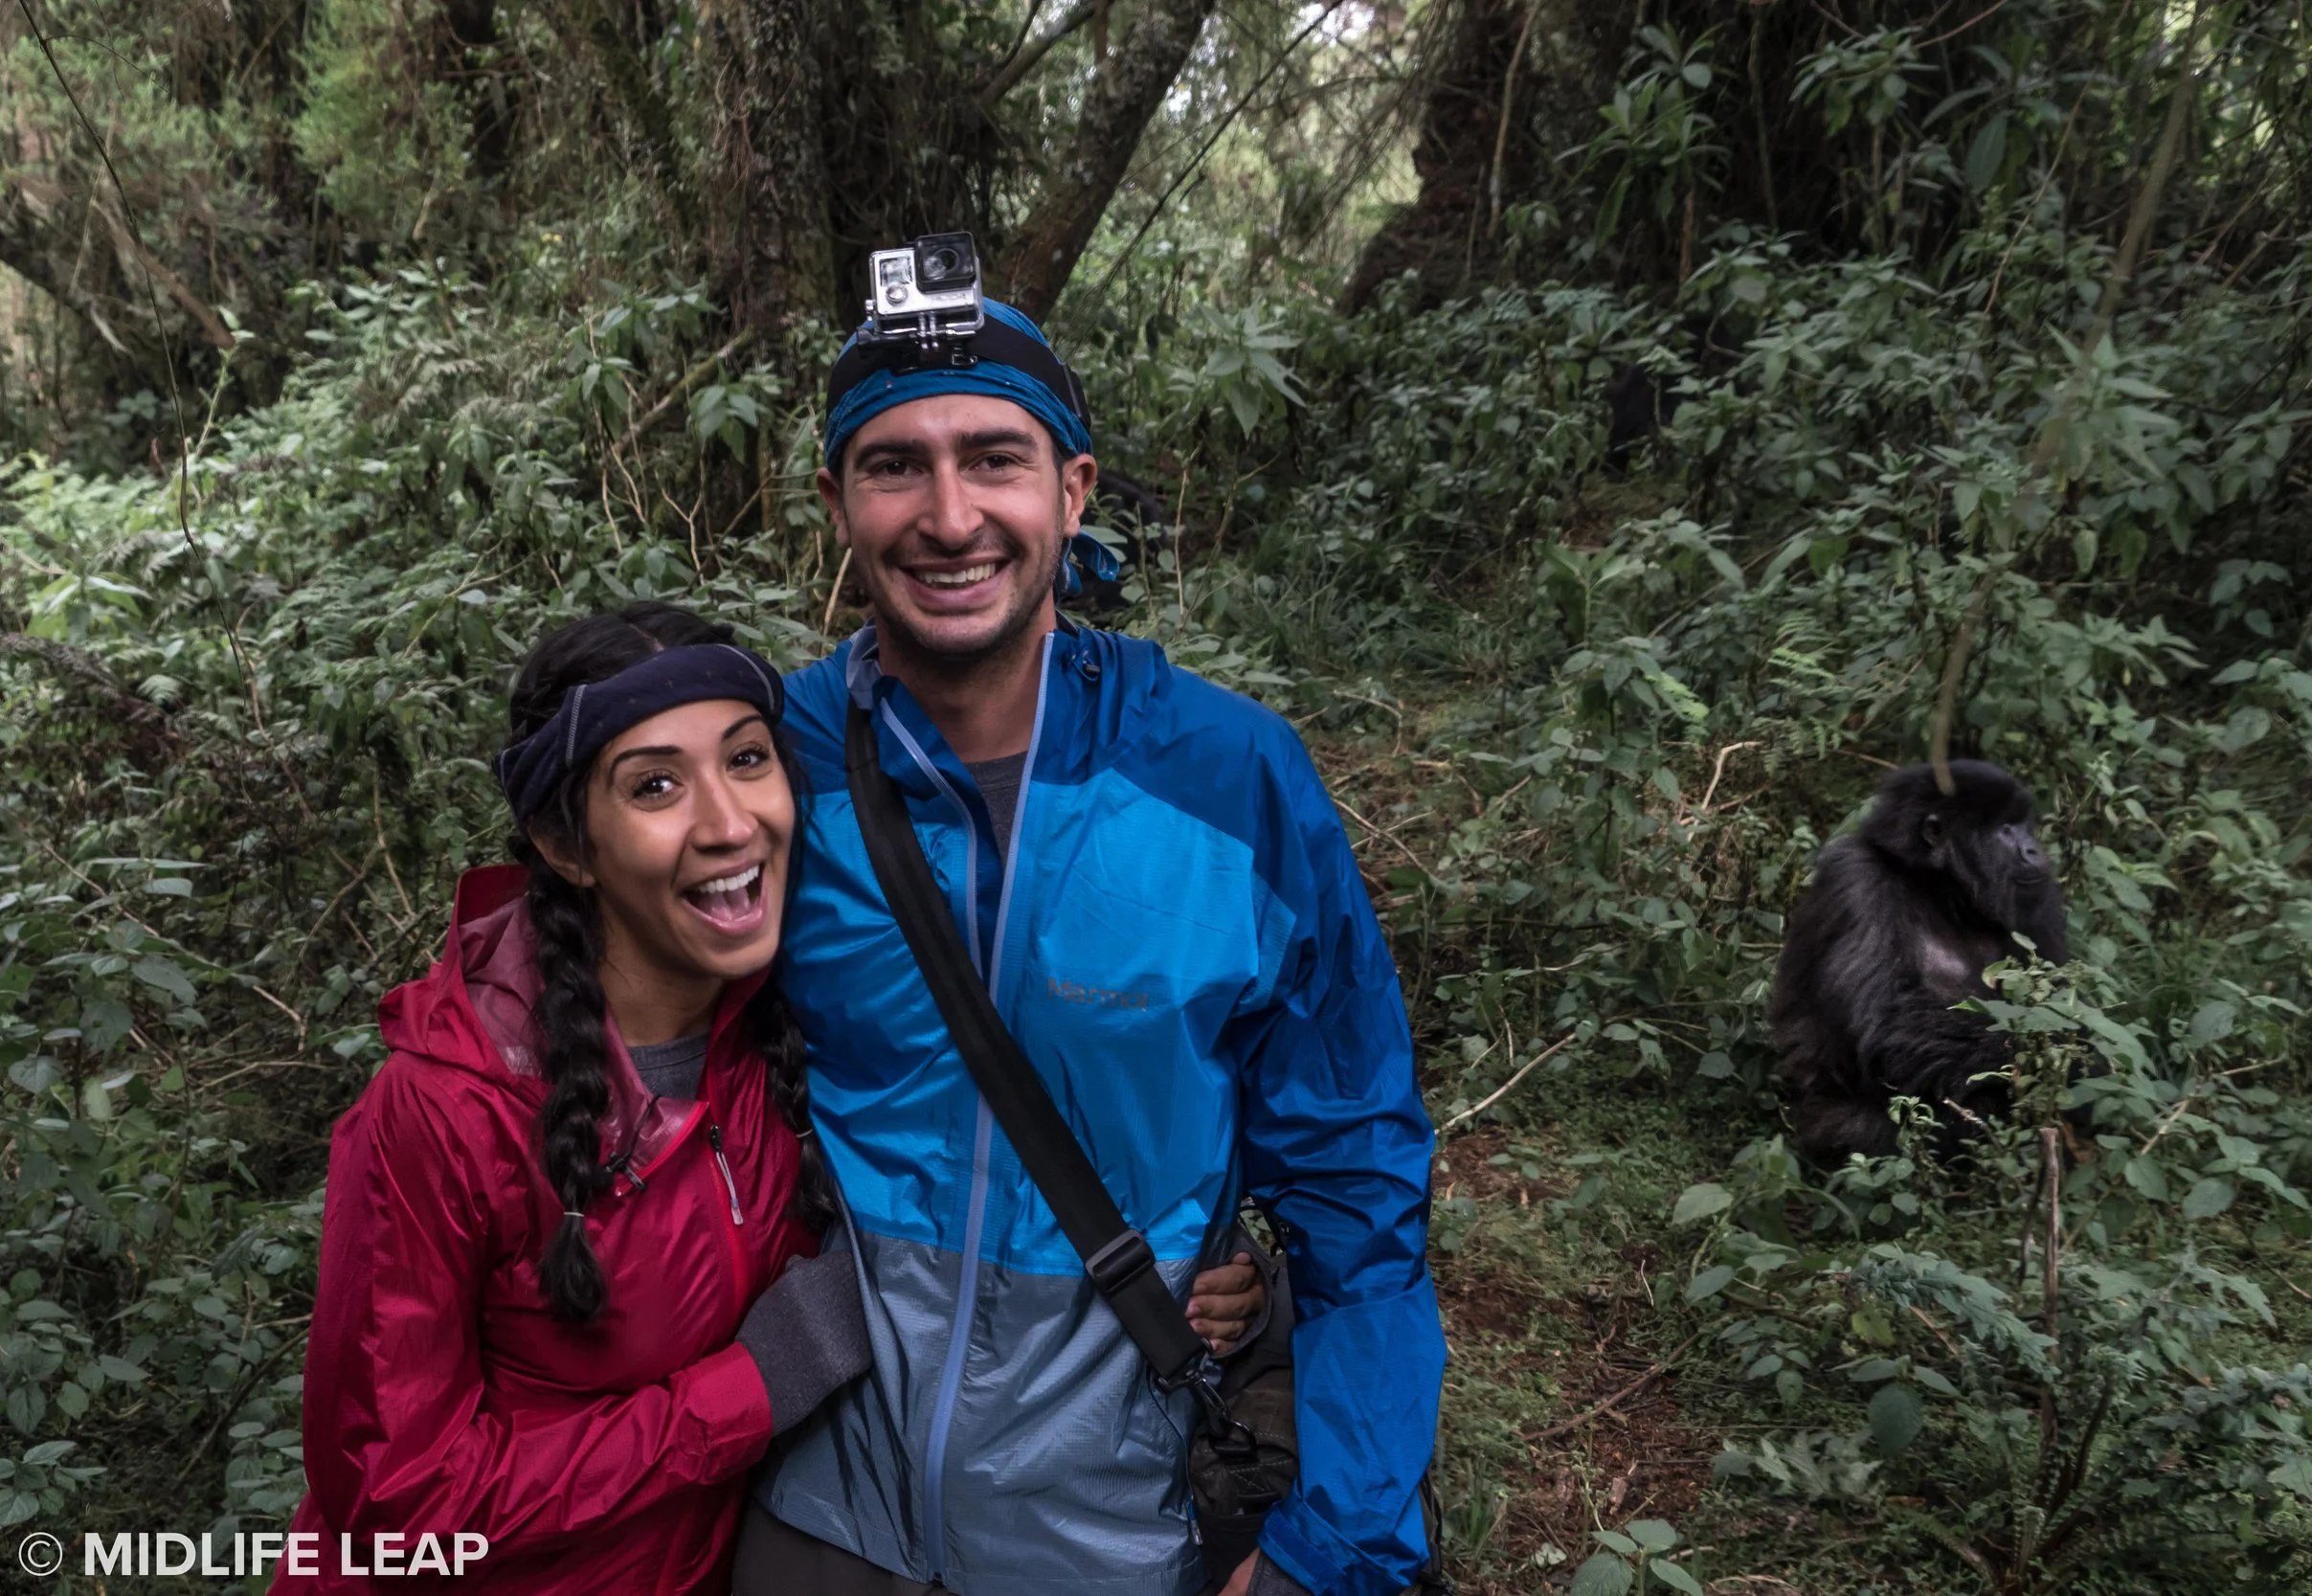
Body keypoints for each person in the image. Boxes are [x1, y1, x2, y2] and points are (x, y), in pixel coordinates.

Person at [740, 298, 1444, 1596]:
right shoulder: (764, 763)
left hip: (1120, 1519)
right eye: (897, 464)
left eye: (994, 458)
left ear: (1073, 491)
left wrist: (1327, 1549)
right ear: (835, 503)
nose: (951, 517)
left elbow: (1358, 1186)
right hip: (824, 1499)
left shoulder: (1230, 782)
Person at [276, 605, 876, 1593]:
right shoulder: (445, 1108)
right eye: (655, 785)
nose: (729, 822)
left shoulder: (787, 1028)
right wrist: (750, 1389)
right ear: (566, 844)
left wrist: (1201, 1272)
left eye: (749, 758)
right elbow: (397, 1499)